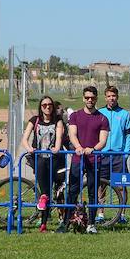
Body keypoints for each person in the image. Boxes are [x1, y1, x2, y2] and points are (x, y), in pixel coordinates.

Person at [66, 86, 109, 234]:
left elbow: (103, 140)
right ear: (83, 98)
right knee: (72, 191)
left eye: (92, 97)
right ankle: (67, 221)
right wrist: (78, 147)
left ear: (96, 98)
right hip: (78, 159)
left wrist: (94, 149)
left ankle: (91, 224)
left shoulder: (103, 118)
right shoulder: (75, 116)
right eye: (87, 97)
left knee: (92, 192)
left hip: (94, 159)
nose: (90, 100)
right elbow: (72, 134)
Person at [21, 95, 65, 232]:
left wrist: (57, 148)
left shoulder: (58, 121)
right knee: (45, 193)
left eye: (50, 105)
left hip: (54, 160)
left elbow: (59, 137)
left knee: (55, 191)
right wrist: (29, 149)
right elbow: (25, 138)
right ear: (40, 107)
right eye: (44, 105)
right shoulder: (35, 120)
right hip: (39, 159)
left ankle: (61, 220)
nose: (47, 107)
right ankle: (43, 223)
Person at [96, 85, 130, 224]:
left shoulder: (124, 114)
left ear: (117, 97)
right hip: (103, 155)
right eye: (109, 96)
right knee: (101, 185)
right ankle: (100, 214)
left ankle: (122, 214)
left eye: (114, 96)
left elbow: (128, 135)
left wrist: (126, 153)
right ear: (105, 98)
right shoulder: (99, 113)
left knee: (121, 186)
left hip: (119, 156)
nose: (111, 98)